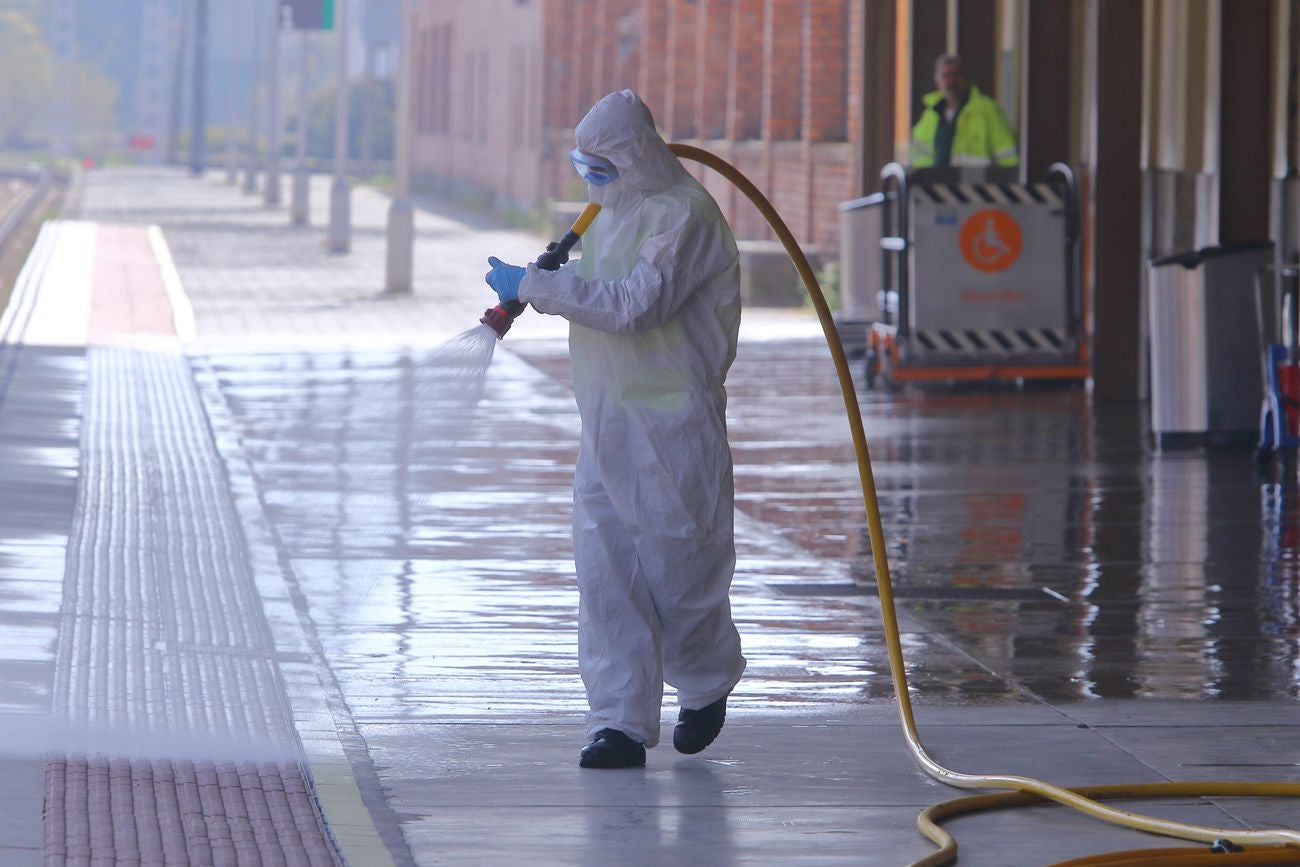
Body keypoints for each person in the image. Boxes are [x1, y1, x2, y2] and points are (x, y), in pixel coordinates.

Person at [484, 90, 747, 769]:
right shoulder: (607, 214)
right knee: (605, 574)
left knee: (680, 569)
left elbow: (636, 304)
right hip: (604, 420)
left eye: (601, 166)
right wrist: (544, 282)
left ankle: (705, 681)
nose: (590, 180)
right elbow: (598, 290)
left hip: (672, 424)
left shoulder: (685, 217)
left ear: (634, 158)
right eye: (584, 167)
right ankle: (619, 721)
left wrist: (538, 288)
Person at [911, 53, 1019, 169]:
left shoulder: (987, 110)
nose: (952, 80)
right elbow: (919, 157)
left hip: (978, 185)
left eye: (956, 75)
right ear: (937, 80)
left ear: (965, 78)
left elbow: (1008, 154)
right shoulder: (930, 115)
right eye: (946, 75)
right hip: (939, 185)